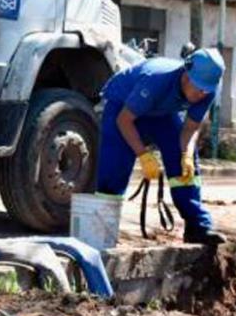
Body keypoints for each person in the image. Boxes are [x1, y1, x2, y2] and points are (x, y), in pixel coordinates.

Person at [96, 48, 227, 245]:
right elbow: (125, 120)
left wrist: (187, 154)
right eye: (198, 87)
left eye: (205, 90)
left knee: (183, 166)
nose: (201, 94)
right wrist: (143, 154)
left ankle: (197, 226)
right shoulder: (156, 80)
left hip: (163, 111)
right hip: (123, 107)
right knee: (115, 166)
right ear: (186, 74)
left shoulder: (208, 89)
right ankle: (100, 230)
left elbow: (190, 129)